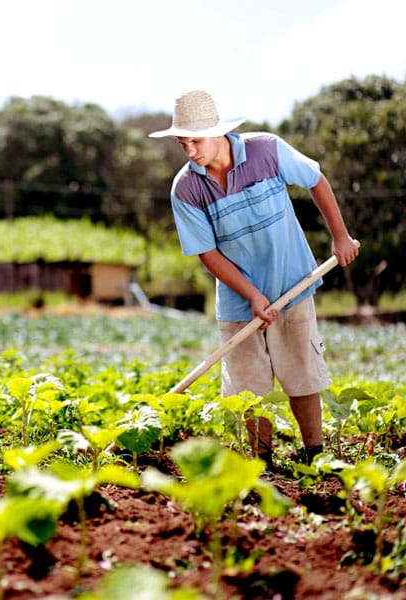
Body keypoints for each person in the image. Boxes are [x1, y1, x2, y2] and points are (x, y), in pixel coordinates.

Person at [148, 90, 358, 468]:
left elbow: (315, 179)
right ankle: (262, 465)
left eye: (196, 141)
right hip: (236, 300)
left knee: (301, 374)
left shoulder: (267, 151)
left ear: (218, 133)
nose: (190, 151)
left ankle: (315, 455)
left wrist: (340, 236)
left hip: (290, 284)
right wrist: (251, 295)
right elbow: (207, 253)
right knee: (248, 387)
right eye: (183, 144)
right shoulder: (186, 188)